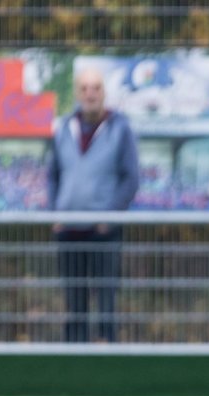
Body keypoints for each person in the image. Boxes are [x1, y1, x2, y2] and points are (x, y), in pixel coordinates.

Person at [48, 66, 140, 344]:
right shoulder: (64, 128)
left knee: (106, 299)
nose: (90, 94)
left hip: (104, 232)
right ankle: (73, 360)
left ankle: (108, 360)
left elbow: (131, 179)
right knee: (74, 300)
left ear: (104, 92)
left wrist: (109, 217)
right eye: (85, 88)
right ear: (77, 93)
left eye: (96, 88)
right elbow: (53, 175)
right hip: (69, 229)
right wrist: (54, 212)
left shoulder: (120, 129)